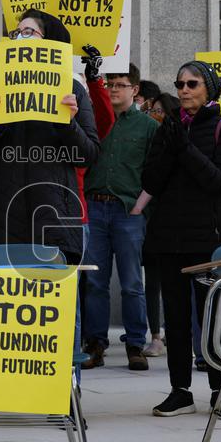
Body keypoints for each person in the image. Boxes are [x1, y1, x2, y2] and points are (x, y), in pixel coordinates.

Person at [0, 9, 100, 430]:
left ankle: (65, 394)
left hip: (51, 217)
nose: (22, 38)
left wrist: (70, 121)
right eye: (17, 32)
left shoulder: (73, 90)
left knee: (59, 311)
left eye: (32, 32)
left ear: (50, 43)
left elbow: (88, 155)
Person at [140, 60, 221, 417]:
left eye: (192, 83)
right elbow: (151, 182)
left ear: (208, 89)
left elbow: (219, 180)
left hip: (208, 241)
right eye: (179, 83)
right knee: (178, 320)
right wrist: (170, 146)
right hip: (170, 237)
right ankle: (179, 390)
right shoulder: (168, 128)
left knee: (211, 317)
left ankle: (219, 392)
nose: (183, 89)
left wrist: (186, 149)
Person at [81, 64, 157, 371]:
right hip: (94, 207)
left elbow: (155, 172)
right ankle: (95, 343)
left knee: (131, 283)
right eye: (109, 83)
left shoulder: (148, 127)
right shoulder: (93, 118)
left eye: (120, 84)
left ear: (135, 90)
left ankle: (136, 344)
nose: (113, 89)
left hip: (128, 210)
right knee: (95, 282)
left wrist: (140, 206)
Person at [141, 92, 178, 357]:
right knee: (152, 281)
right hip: (151, 219)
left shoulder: (178, 138)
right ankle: (155, 335)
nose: (156, 116)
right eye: (152, 111)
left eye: (161, 111)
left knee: (176, 283)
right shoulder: (149, 140)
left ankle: (177, 334)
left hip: (175, 220)